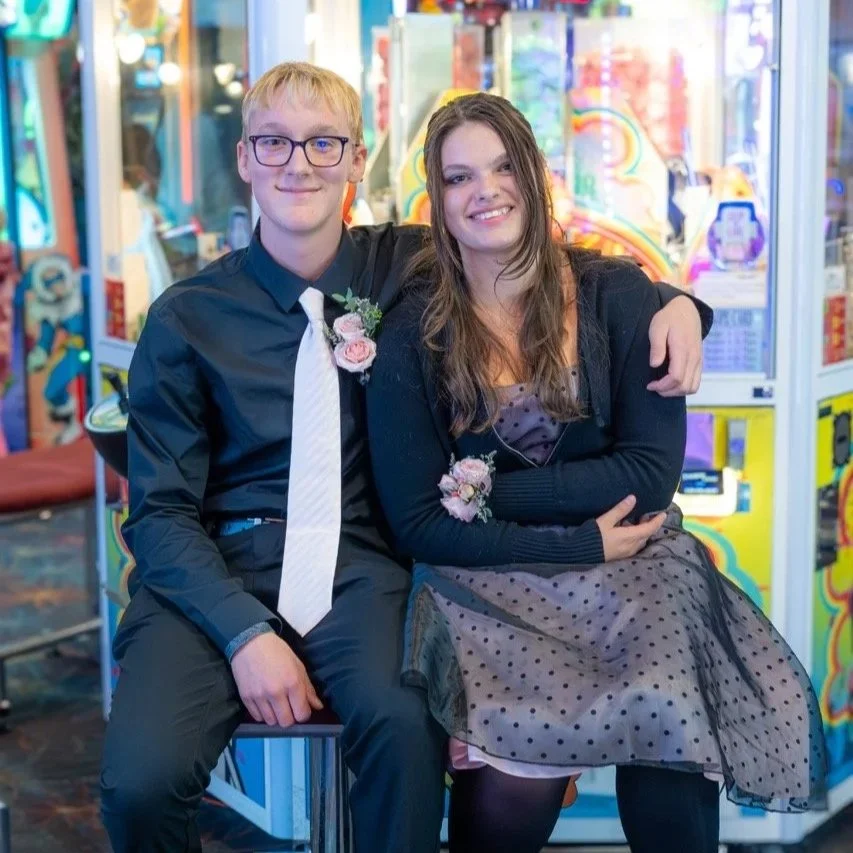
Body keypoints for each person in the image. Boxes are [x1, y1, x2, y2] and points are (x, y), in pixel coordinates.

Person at [100, 63, 710, 853]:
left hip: (362, 563)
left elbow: (539, 253)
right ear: (245, 159)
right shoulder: (185, 318)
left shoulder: (409, 263)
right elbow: (159, 512)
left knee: (404, 732)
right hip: (214, 569)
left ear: (357, 161)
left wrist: (676, 303)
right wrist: (243, 632)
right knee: (138, 784)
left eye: (324, 143)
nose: (299, 163)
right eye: (274, 143)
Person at [365, 92, 828, 853]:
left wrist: (475, 489)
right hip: (489, 580)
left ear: (534, 175)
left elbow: (647, 477)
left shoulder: (615, 293)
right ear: (435, 199)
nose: (485, 190)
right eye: (458, 177)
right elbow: (416, 521)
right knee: (518, 772)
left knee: (669, 720)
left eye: (503, 165)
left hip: (636, 566)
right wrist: (572, 539)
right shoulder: (416, 330)